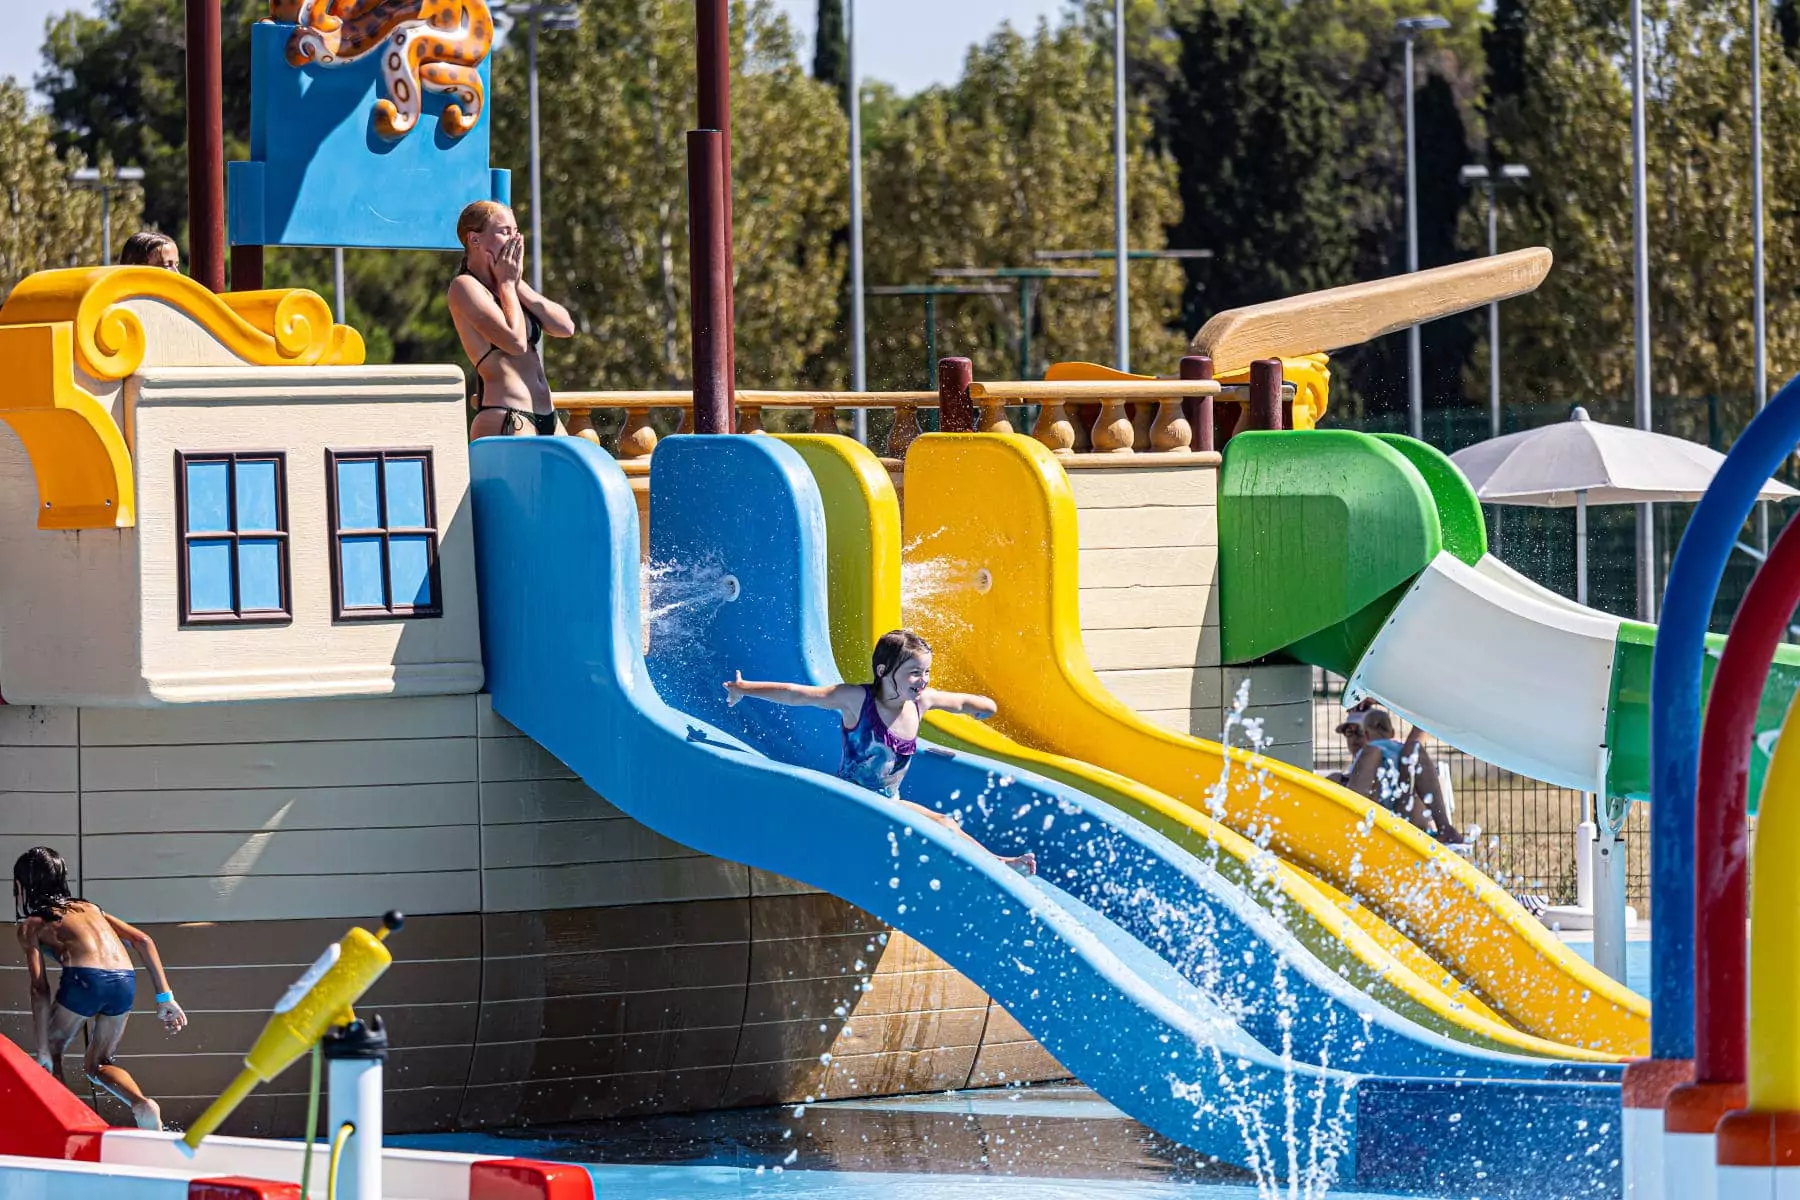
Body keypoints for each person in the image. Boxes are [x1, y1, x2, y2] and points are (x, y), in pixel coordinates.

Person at [724, 629, 1037, 876]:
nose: (923, 680)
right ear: (884, 670)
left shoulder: (921, 702)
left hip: (889, 802)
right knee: (941, 827)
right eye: (914, 672)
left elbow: (963, 704)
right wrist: (744, 688)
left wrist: (982, 708)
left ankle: (999, 864)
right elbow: (798, 695)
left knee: (946, 823)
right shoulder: (856, 700)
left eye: (927, 672)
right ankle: (1000, 864)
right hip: (850, 800)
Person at [13, 846, 187, 1129]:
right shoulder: (91, 908)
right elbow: (142, 941)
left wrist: (43, 1046)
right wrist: (165, 998)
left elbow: (39, 988)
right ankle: (141, 1104)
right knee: (99, 1063)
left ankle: (64, 1128)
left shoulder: (31, 925)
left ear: (21, 886)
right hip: (124, 979)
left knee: (53, 1051)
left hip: (85, 979)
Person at [447, 200, 575, 439]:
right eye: (505, 232)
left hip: (547, 414)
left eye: (516, 231)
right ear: (475, 240)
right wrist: (507, 285)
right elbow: (515, 343)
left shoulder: (510, 283)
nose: (515, 239)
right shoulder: (464, 287)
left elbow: (565, 327)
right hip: (507, 415)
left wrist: (515, 284)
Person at [1328, 703, 1464, 845]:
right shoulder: (1400, 753)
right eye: (1349, 732)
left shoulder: (1374, 753)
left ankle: (1444, 829)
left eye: (1360, 732)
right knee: (1413, 749)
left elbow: (1419, 733)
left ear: (1366, 735)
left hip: (1389, 822)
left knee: (1405, 750)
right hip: (1391, 817)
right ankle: (1445, 829)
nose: (1354, 738)